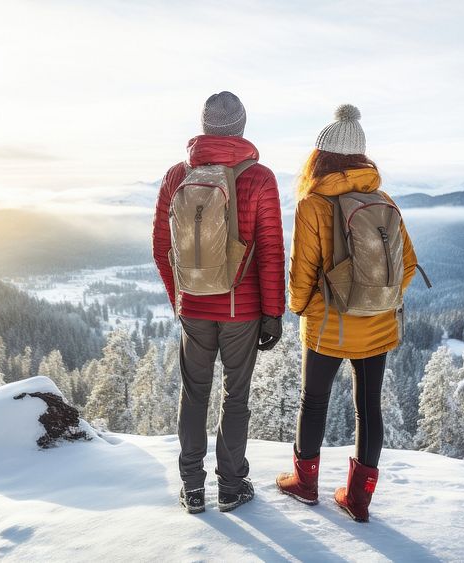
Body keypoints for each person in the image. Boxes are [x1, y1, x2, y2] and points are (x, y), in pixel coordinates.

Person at [277, 104, 424, 522]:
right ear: (362, 157)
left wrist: (300, 308)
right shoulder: (383, 199)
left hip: (327, 324)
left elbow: (302, 269)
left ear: (320, 156)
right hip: (377, 325)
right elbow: (408, 264)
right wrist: (378, 299)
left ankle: (305, 484)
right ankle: (358, 500)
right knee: (369, 409)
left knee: (314, 402)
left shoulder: (313, 204)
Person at [152, 91, 286, 514]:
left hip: (194, 307)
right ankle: (231, 486)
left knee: (194, 395)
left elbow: (161, 245)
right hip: (241, 310)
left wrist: (181, 297)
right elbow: (270, 249)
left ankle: (192, 487)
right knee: (236, 396)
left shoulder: (177, 175)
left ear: (205, 126)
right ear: (241, 127)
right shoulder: (259, 177)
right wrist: (273, 313)